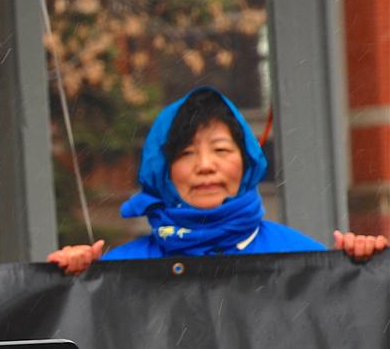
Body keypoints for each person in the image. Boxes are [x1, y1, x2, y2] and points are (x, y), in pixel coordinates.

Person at [48, 87, 388, 273]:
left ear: (246, 162)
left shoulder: (303, 259)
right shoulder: (119, 273)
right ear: (163, 174)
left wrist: (362, 270)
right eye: (186, 154)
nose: (205, 165)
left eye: (221, 149)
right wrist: (75, 281)